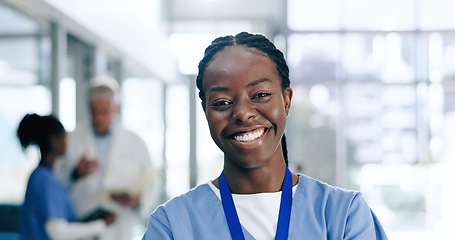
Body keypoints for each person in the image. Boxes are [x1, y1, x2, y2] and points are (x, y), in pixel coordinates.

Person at [142, 32, 388, 239]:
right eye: (222, 102)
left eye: (259, 95)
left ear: (287, 100)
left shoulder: (343, 216)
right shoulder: (172, 227)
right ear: (206, 112)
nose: (242, 113)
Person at [56, 76, 156, 240]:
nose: (98, 118)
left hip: (120, 227)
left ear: (115, 108)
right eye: (94, 111)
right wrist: (74, 174)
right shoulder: (72, 139)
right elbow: (57, 183)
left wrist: (137, 201)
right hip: (82, 225)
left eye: (104, 111)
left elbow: (151, 185)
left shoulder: (135, 143)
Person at [17, 113, 116, 240]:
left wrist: (75, 176)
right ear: (54, 141)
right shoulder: (46, 180)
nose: (67, 141)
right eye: (64, 136)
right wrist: (101, 225)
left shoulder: (41, 176)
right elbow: (57, 232)